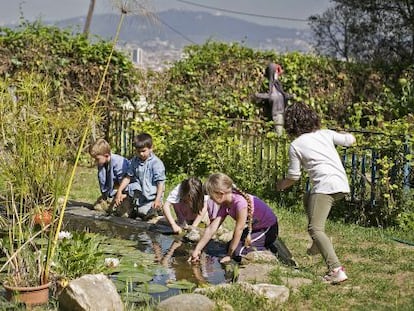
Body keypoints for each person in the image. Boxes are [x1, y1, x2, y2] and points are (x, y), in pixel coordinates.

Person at [276, 101, 356, 284]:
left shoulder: (296, 145)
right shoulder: (325, 134)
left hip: (325, 187)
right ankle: (317, 244)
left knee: (315, 228)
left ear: (291, 124)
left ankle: (336, 270)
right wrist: (347, 135)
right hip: (341, 185)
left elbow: (294, 176)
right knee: (308, 198)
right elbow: (350, 140)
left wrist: (281, 185)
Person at [189, 173, 278, 264]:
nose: (211, 200)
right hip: (255, 229)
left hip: (268, 230)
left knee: (238, 252)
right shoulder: (225, 204)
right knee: (229, 247)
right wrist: (197, 249)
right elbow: (212, 228)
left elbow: (238, 229)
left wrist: (229, 255)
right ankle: (260, 243)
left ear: (220, 194)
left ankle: (268, 250)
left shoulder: (240, 203)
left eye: (212, 197)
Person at [115, 133, 166, 221]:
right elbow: (128, 177)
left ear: (151, 148)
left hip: (152, 197)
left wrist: (157, 199)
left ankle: (159, 209)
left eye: (143, 151)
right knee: (121, 212)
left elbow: (160, 184)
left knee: (146, 214)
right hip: (140, 195)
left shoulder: (156, 164)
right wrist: (119, 191)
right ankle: (135, 208)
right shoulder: (134, 161)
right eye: (138, 152)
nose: (141, 154)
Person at [89, 138, 132, 216]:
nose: (95, 161)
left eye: (97, 159)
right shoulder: (102, 163)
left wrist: (122, 194)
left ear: (106, 155)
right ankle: (110, 203)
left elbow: (126, 183)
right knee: (97, 207)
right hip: (112, 193)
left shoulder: (119, 164)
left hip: (124, 193)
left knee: (121, 213)